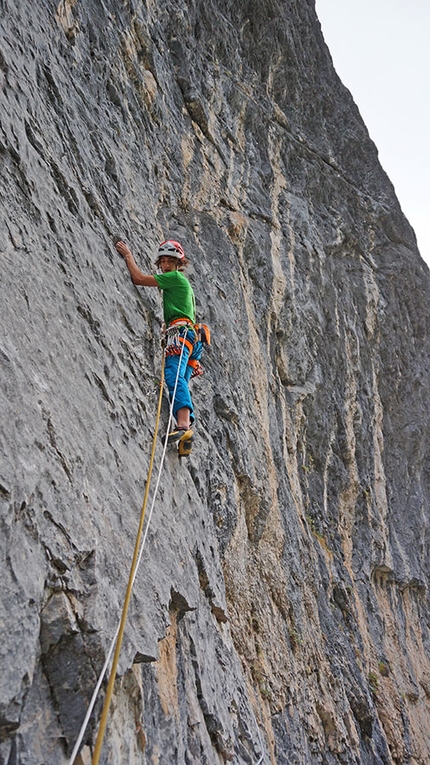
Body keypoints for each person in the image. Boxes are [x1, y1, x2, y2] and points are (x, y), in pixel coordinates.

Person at [115, 238, 206, 446]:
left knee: (173, 375)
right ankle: (186, 436)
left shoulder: (175, 278)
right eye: (163, 261)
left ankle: (183, 426)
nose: (165, 265)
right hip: (191, 337)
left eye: (169, 261)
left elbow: (138, 278)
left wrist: (128, 256)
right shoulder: (183, 285)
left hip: (181, 334)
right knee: (180, 379)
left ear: (177, 264)